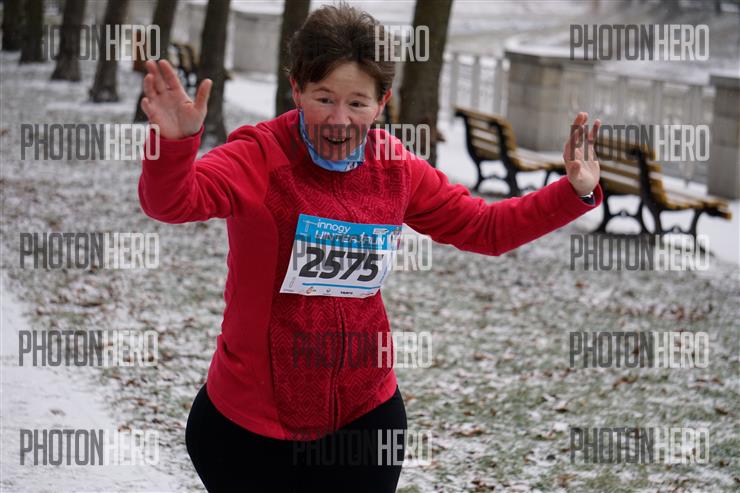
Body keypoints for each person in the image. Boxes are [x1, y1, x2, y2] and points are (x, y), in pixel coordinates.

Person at [137, 4, 602, 492]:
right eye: (324, 98)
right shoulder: (257, 157)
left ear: (382, 103)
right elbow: (173, 202)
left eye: (357, 103)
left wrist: (571, 192)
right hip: (251, 431)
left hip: (365, 418)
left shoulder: (395, 169)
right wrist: (174, 146)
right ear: (296, 88)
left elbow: (485, 228)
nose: (339, 120)